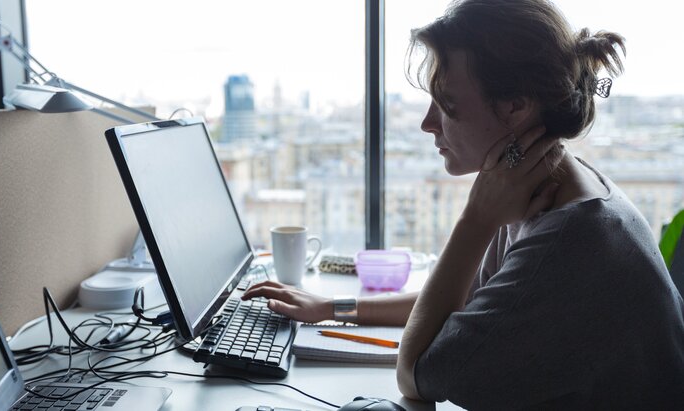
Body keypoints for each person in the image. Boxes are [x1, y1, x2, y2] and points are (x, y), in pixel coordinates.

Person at [243, 0, 684, 408]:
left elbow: (415, 373)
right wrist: (331, 309)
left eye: (446, 102)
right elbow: (462, 304)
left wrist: (476, 220)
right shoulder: (550, 186)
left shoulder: (569, 240)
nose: (427, 123)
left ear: (516, 105)